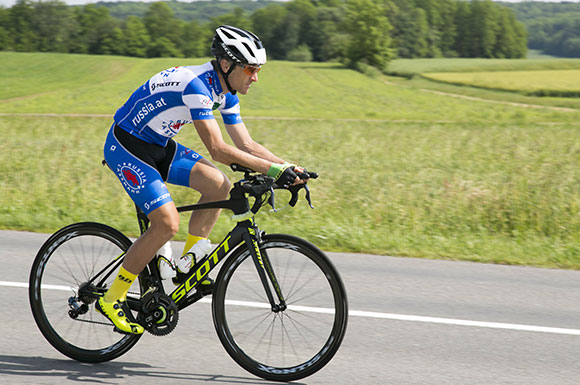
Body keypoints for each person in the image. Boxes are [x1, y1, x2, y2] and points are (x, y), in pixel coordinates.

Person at [97, 25, 307, 334]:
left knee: (218, 185)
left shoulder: (225, 91)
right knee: (167, 224)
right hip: (126, 147)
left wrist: (288, 166)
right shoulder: (197, 86)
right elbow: (219, 149)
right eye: (250, 69)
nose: (255, 77)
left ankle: (187, 267)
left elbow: (246, 145)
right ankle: (111, 298)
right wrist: (273, 171)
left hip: (157, 145)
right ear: (227, 64)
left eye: (258, 69)